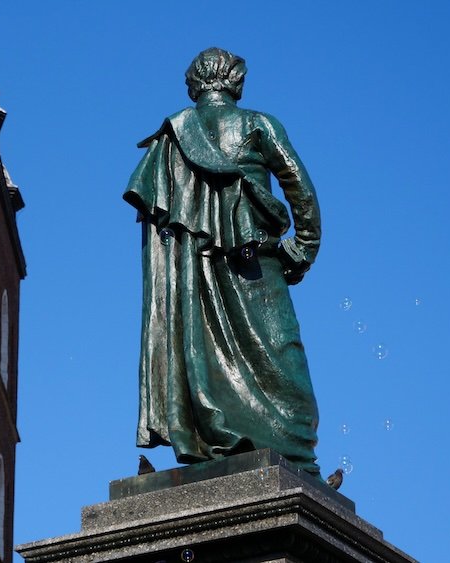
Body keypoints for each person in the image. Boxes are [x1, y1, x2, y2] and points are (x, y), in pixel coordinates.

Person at [124, 47, 323, 476]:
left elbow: (160, 231)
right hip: (255, 263)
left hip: (194, 272)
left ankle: (207, 434)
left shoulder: (171, 138)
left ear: (195, 83)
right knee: (282, 358)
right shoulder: (257, 124)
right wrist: (303, 247)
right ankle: (299, 460)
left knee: (200, 348)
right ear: (235, 81)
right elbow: (300, 189)